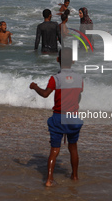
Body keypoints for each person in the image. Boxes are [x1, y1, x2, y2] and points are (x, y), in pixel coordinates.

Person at [29, 47, 83, 187]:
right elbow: (78, 97)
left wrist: (35, 87)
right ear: (73, 61)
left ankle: (49, 180)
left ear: (58, 59)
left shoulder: (55, 78)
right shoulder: (79, 78)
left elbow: (46, 94)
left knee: (54, 150)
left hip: (58, 117)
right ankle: (75, 176)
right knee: (73, 148)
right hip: (73, 117)